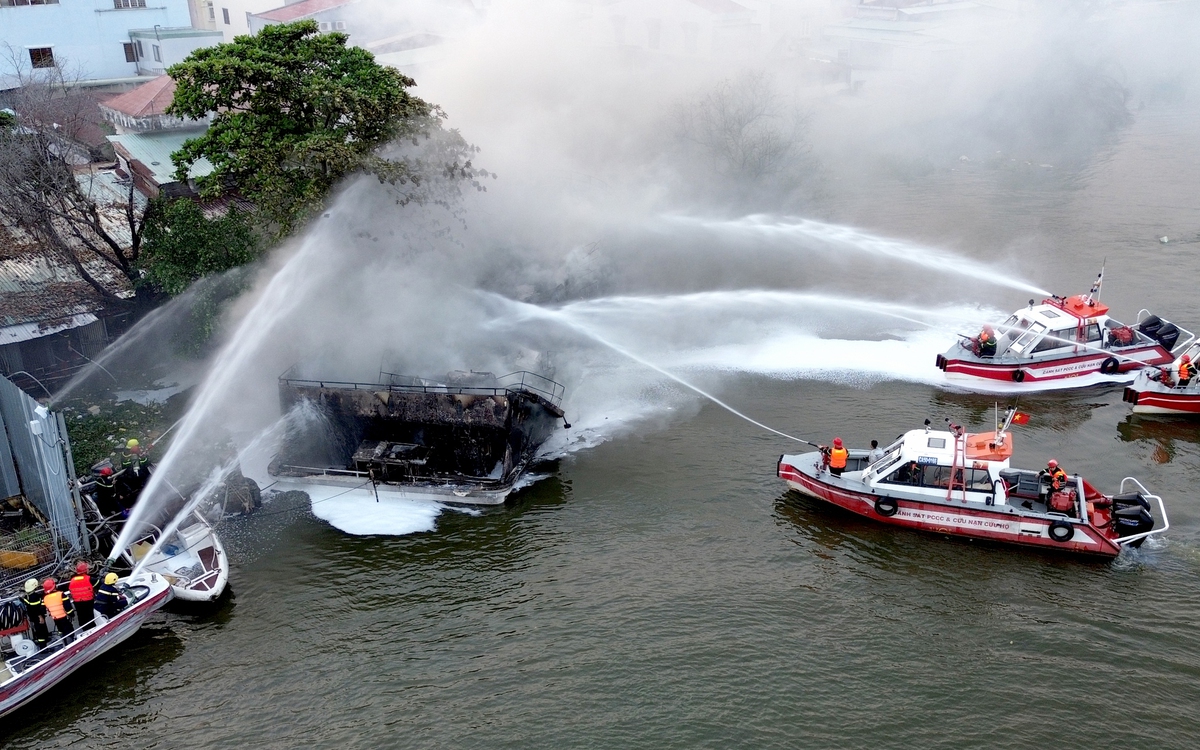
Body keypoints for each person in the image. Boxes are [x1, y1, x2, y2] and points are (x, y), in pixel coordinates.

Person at [20, 578, 49, 649]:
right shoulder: (34, 597)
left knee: (41, 631)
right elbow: (35, 608)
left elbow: (29, 605)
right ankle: (44, 648)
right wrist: (40, 617)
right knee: (41, 632)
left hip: (34, 617)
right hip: (38, 617)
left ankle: (44, 644)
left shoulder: (29, 597)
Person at [42, 579, 75, 643]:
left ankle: (64, 643)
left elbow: (43, 609)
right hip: (64, 616)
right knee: (68, 629)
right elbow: (67, 606)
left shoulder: (45, 598)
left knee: (60, 630)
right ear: (54, 586)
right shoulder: (61, 594)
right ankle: (70, 643)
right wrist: (71, 614)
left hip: (55, 618)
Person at [69, 562, 95, 630]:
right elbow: (99, 584)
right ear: (85, 570)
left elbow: (71, 591)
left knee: (81, 616)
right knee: (90, 616)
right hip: (88, 601)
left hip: (77, 603)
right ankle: (92, 629)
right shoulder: (89, 579)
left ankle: (84, 629)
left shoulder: (72, 580)